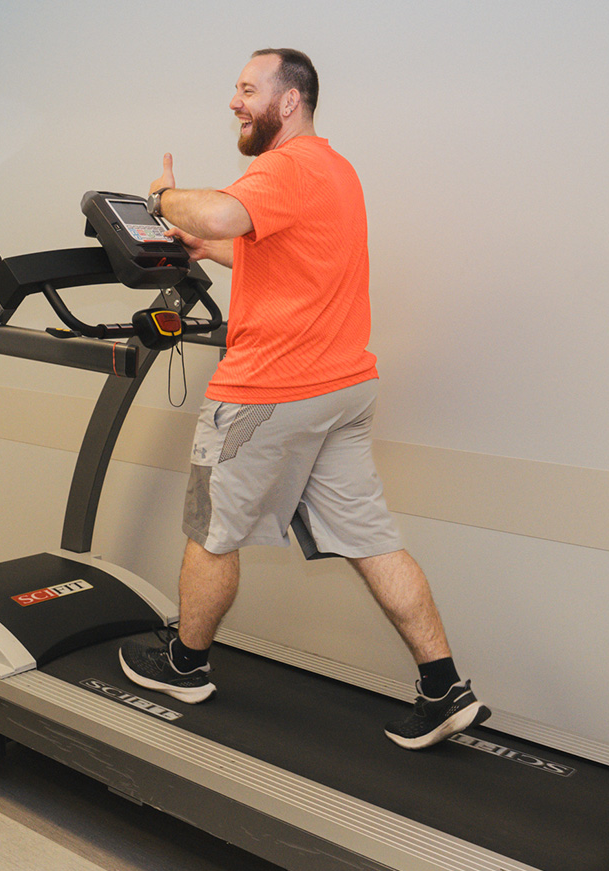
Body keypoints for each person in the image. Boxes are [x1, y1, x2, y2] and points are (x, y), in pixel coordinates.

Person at [118, 49, 487, 749]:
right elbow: (286, 253)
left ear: (290, 101)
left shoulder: (281, 167)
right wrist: (205, 248)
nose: (234, 101)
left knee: (211, 531)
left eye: (247, 89)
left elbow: (224, 210)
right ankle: (444, 686)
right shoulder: (335, 170)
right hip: (342, 390)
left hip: (268, 393)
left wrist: (160, 200)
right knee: (371, 539)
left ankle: (185, 665)